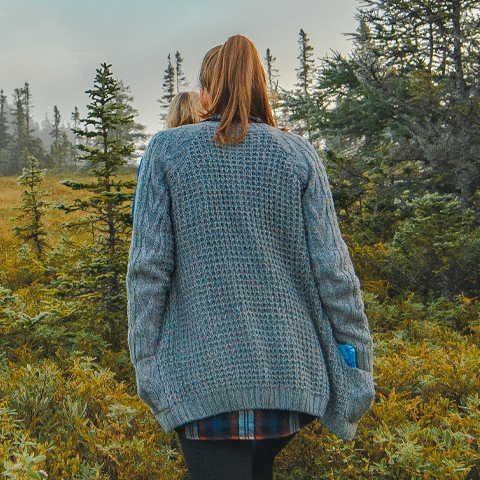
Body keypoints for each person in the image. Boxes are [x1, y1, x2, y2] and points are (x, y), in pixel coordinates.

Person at [127, 34, 376, 480]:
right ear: (260, 87)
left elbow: (148, 271)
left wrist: (148, 367)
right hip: (290, 381)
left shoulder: (166, 152)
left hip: (201, 381)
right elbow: (335, 273)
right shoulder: (298, 154)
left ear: (206, 95)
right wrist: (358, 366)